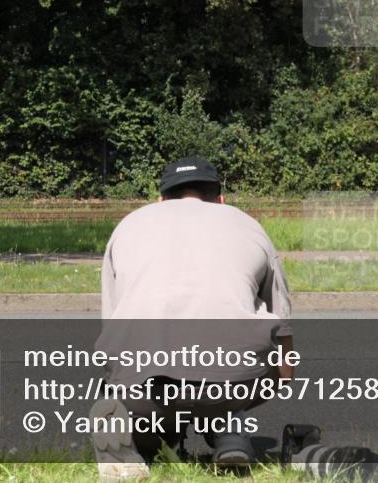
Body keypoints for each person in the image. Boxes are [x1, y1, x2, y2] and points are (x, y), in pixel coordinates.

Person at [92, 157, 293, 481]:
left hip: (145, 389)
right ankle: (230, 431)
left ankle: (131, 438)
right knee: (238, 357)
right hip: (235, 382)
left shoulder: (129, 225)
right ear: (220, 199)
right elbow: (282, 325)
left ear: (160, 200)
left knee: (134, 394)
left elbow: (114, 327)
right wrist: (280, 376)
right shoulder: (247, 224)